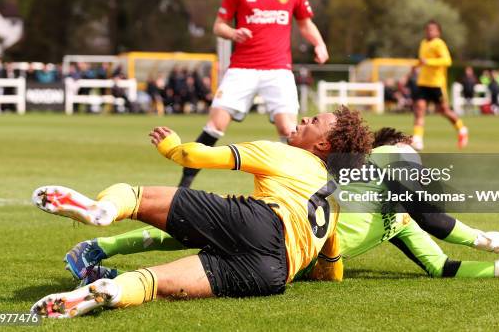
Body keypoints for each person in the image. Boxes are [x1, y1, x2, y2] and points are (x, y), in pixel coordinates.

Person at [63, 128, 499, 288]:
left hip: (289, 254)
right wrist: (483, 236)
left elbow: (441, 264)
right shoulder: (372, 175)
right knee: (188, 231)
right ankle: (98, 247)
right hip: (281, 224)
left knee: (195, 245)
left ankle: (104, 258)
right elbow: (437, 219)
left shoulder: (399, 222)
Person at [30, 106, 374, 318]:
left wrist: (171, 147)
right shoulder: (334, 203)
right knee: (154, 284)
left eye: (313, 120)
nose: (303, 118)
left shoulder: (285, 154)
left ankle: (100, 210)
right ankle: (113, 291)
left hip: (261, 223)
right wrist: (321, 268)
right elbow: (333, 271)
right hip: (271, 274)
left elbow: (195, 157)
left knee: (136, 197)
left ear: (323, 145)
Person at [179, 0, 329, 188]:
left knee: (289, 131)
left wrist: (319, 44)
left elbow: (305, 24)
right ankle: (184, 187)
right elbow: (218, 26)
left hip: (278, 69)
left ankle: (298, 188)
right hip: (242, 68)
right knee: (216, 123)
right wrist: (233, 33)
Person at [412, 20, 468, 150]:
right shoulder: (423, 43)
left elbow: (447, 61)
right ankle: (418, 139)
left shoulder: (439, 44)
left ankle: (462, 129)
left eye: (433, 29)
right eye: (428, 29)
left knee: (443, 111)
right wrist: (414, 68)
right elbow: (422, 61)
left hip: (436, 84)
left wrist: (428, 62)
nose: (429, 31)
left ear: (438, 32)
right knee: (419, 109)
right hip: (423, 83)